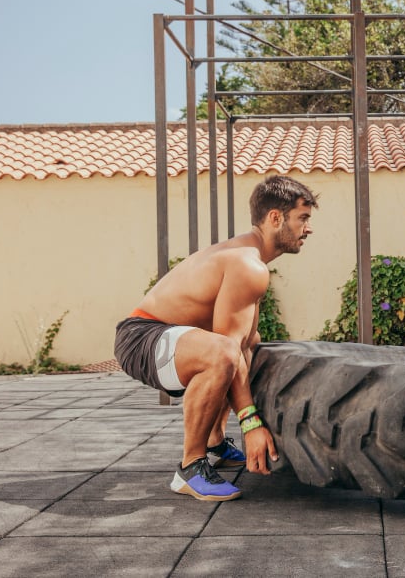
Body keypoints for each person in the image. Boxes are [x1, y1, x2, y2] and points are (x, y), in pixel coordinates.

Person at [114, 175, 318, 501]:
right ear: (275, 218)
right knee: (224, 351)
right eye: (303, 218)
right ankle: (191, 467)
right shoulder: (247, 264)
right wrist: (251, 424)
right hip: (142, 336)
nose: (308, 229)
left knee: (248, 341)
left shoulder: (248, 256)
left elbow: (241, 344)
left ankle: (215, 442)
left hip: (165, 337)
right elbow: (227, 349)